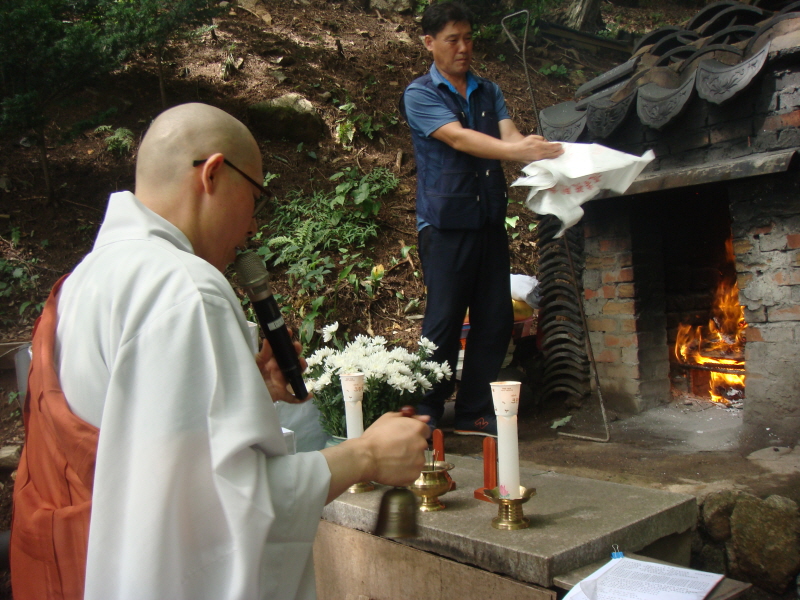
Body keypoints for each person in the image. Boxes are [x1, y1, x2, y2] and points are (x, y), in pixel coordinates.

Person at [9, 103, 429, 600]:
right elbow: (215, 514)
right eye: (255, 196)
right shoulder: (184, 287)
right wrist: (366, 454)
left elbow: (143, 443)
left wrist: (246, 392)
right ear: (212, 173)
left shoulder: (87, 279)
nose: (253, 227)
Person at [401, 1, 564, 437]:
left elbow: (507, 134)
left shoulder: (488, 90)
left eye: (469, 38)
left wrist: (534, 150)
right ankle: (427, 409)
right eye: (452, 40)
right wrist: (516, 151)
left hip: (489, 219)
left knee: (494, 319)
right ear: (429, 42)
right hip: (445, 224)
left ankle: (473, 409)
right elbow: (459, 138)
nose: (463, 48)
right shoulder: (420, 94)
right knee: (443, 321)